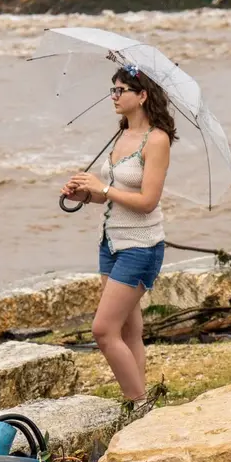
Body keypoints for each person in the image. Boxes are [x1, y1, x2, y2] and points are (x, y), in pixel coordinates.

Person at [61, 63, 176, 414]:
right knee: (128, 331)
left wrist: (103, 187)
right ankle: (139, 407)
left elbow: (147, 202)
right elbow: (108, 195)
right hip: (110, 244)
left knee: (102, 329)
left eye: (120, 90)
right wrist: (84, 194)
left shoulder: (156, 140)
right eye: (112, 90)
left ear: (141, 96)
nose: (113, 96)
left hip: (140, 247)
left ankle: (138, 404)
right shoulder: (118, 135)